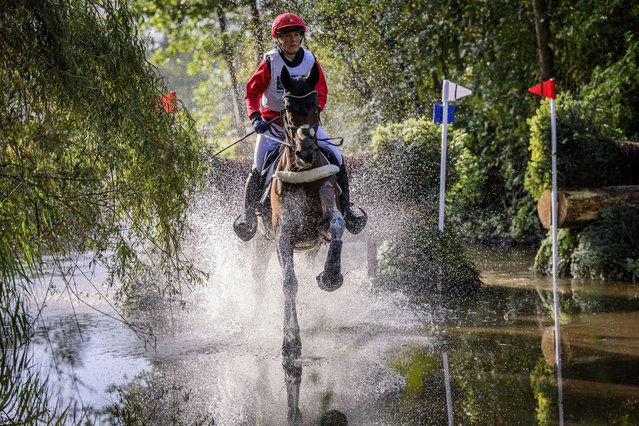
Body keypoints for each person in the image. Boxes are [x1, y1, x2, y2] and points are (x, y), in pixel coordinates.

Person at [234, 12, 366, 242]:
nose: (293, 40)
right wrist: (256, 117)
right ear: (278, 39)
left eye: (297, 35)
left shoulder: (310, 60)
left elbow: (321, 91)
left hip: (305, 126)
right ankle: (248, 217)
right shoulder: (270, 62)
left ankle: (347, 208)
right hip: (273, 126)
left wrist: (311, 114)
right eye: (287, 36)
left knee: (337, 156)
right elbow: (252, 92)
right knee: (258, 165)